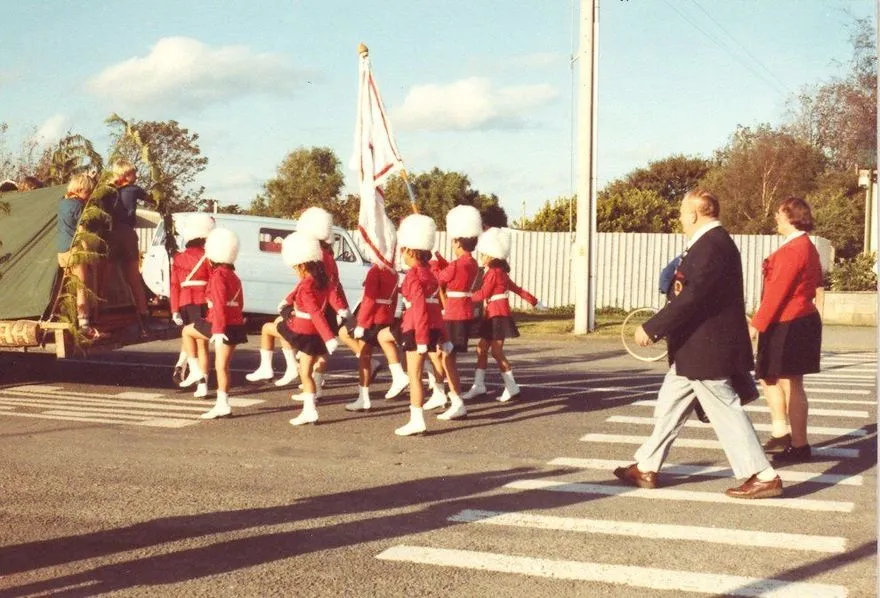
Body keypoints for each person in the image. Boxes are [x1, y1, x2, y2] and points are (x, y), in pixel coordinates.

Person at [618, 189, 782, 499]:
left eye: (682, 212)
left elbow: (692, 297)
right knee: (669, 406)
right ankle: (646, 466)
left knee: (725, 410)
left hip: (706, 348)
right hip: (694, 350)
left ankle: (763, 475)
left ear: (694, 214)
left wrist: (653, 328)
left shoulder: (712, 245)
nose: (680, 218)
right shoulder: (710, 244)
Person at [749, 197, 823, 463]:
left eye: (780, 215)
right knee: (770, 376)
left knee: (790, 382)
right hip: (789, 320)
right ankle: (782, 433)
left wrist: (756, 325)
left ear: (793, 217)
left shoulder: (794, 250)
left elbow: (777, 292)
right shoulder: (804, 246)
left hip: (790, 321)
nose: (776, 219)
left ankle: (800, 444)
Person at [462, 227, 546, 402]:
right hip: (493, 315)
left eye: (484, 254)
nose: (482, 257)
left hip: (497, 316)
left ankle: (512, 386)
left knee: (497, 352)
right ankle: (479, 385)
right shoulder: (500, 272)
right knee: (481, 348)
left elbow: (483, 294)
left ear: (492, 255)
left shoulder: (493, 273)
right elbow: (518, 290)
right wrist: (535, 302)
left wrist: (463, 297)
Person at [178, 228, 248, 418]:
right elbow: (240, 303)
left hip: (220, 325)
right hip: (234, 325)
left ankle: (195, 372)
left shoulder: (217, 276)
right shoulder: (234, 276)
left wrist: (217, 330)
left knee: (187, 332)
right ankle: (221, 402)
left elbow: (218, 305)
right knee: (222, 367)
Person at [393, 214, 451, 437]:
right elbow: (435, 308)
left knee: (414, 375)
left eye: (404, 249)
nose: (402, 254)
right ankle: (423, 411)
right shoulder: (430, 275)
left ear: (410, 251)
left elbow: (419, 309)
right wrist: (443, 337)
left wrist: (422, 341)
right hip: (431, 328)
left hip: (416, 329)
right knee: (417, 374)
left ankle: (417, 420)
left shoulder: (414, 276)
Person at [338, 226, 407, 412]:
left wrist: (362, 324)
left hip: (371, 317)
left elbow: (368, 302)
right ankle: (397, 373)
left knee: (364, 357)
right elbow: (392, 300)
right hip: (385, 316)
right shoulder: (392, 272)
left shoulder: (375, 272)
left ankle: (364, 398)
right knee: (376, 349)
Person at [424, 204, 483, 421]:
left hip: (453, 314)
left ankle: (457, 400)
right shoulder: (471, 262)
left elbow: (438, 279)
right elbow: (453, 272)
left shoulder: (458, 264)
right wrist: (440, 262)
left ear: (458, 241)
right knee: (441, 354)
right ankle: (442, 392)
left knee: (447, 357)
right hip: (462, 311)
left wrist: (432, 263)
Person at [277, 232, 339, 426]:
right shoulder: (321, 281)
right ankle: (309, 411)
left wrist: (329, 337)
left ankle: (290, 367)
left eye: (296, 267)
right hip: (315, 333)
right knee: (307, 373)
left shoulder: (306, 283)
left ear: (302, 265)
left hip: (305, 331)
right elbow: (332, 298)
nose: (295, 271)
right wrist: (343, 311)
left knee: (276, 326)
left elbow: (314, 311)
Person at [295, 207, 350, 399]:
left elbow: (326, 285)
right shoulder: (326, 255)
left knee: (316, 348)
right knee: (318, 349)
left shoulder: (321, 257)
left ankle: (313, 385)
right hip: (327, 305)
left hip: (322, 305)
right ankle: (313, 384)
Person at [169, 213, 215, 394]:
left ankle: (194, 372)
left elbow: (174, 286)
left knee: (190, 339)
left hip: (185, 302)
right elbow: (213, 281)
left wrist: (174, 310)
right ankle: (202, 384)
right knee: (203, 344)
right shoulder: (208, 256)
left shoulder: (178, 258)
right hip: (204, 300)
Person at [103, 160, 151, 322]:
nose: (136, 176)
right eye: (133, 173)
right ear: (125, 175)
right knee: (133, 275)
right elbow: (151, 198)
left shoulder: (108, 190)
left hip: (110, 233)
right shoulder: (133, 189)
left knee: (106, 273)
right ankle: (143, 311)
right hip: (127, 233)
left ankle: (99, 308)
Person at [56, 173, 99, 338]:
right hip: (76, 250)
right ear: (80, 190)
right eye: (88, 192)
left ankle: (69, 319)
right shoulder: (79, 207)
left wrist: (90, 178)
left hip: (62, 251)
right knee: (82, 288)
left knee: (69, 289)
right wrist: (88, 254)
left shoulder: (62, 203)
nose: (88, 196)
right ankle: (84, 324)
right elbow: (83, 232)